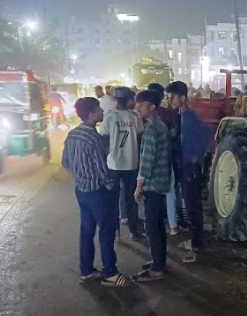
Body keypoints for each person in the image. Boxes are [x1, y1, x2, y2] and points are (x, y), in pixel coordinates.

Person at [62, 98, 132, 288]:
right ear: (91, 114)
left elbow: (65, 163)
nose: (102, 111)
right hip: (98, 193)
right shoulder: (94, 138)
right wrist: (110, 185)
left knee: (86, 231)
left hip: (81, 191)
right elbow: (103, 169)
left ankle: (86, 270)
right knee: (107, 231)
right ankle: (110, 272)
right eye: (99, 109)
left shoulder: (73, 134)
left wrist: (81, 176)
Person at [166, 81, 213, 264]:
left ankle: (197, 245)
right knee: (189, 203)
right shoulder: (181, 115)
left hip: (189, 167)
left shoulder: (189, 116)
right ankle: (195, 240)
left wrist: (196, 157)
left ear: (183, 98)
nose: (170, 100)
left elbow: (207, 134)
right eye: (168, 97)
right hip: (185, 165)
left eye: (172, 97)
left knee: (193, 205)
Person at [132, 91, 171, 282]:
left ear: (152, 107)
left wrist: (139, 187)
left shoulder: (152, 129)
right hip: (161, 182)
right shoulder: (159, 125)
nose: (138, 108)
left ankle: (157, 268)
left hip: (153, 184)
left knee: (152, 227)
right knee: (157, 225)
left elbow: (147, 162)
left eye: (142, 105)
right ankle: (159, 261)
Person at [99, 87, 145, 242]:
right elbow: (139, 138)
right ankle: (134, 231)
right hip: (131, 163)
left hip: (113, 164)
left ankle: (116, 233)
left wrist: (110, 155)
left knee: (113, 199)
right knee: (131, 199)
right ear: (128, 100)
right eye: (132, 98)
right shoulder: (135, 116)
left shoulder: (109, 117)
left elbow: (104, 140)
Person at [148, 83, 180, 236]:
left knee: (153, 193)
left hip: (150, 159)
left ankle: (155, 225)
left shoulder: (145, 115)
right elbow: (174, 133)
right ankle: (173, 226)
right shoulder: (170, 113)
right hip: (167, 157)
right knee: (170, 191)